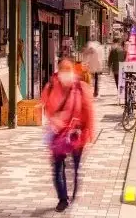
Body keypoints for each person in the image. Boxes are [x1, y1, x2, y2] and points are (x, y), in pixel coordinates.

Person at [41, 57, 95, 213]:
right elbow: (46, 105)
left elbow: (88, 111)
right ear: (58, 71)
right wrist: (54, 121)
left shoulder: (80, 87)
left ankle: (73, 194)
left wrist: (89, 132)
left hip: (76, 135)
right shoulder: (51, 86)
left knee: (75, 168)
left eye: (68, 69)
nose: (65, 73)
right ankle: (63, 199)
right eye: (63, 70)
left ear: (73, 71)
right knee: (58, 167)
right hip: (58, 135)